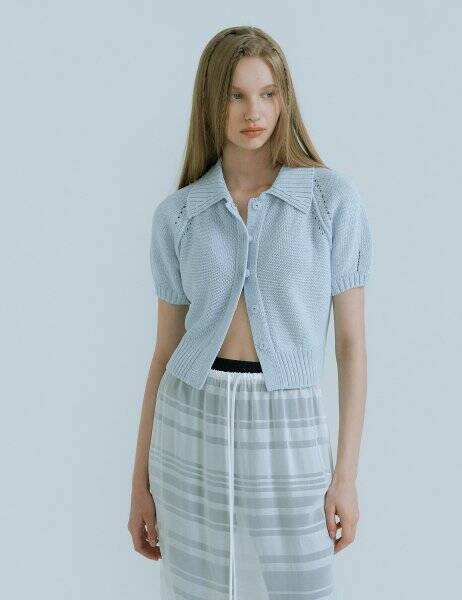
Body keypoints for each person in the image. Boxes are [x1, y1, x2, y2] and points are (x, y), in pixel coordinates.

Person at [128, 25, 372, 600]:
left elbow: (351, 346)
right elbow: (164, 352)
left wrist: (346, 476)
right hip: (189, 421)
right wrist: (139, 484)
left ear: (285, 100)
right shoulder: (179, 215)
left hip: (289, 423)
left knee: (301, 588)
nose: (253, 111)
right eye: (235, 95)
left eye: (267, 93)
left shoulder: (330, 202)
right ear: (210, 102)